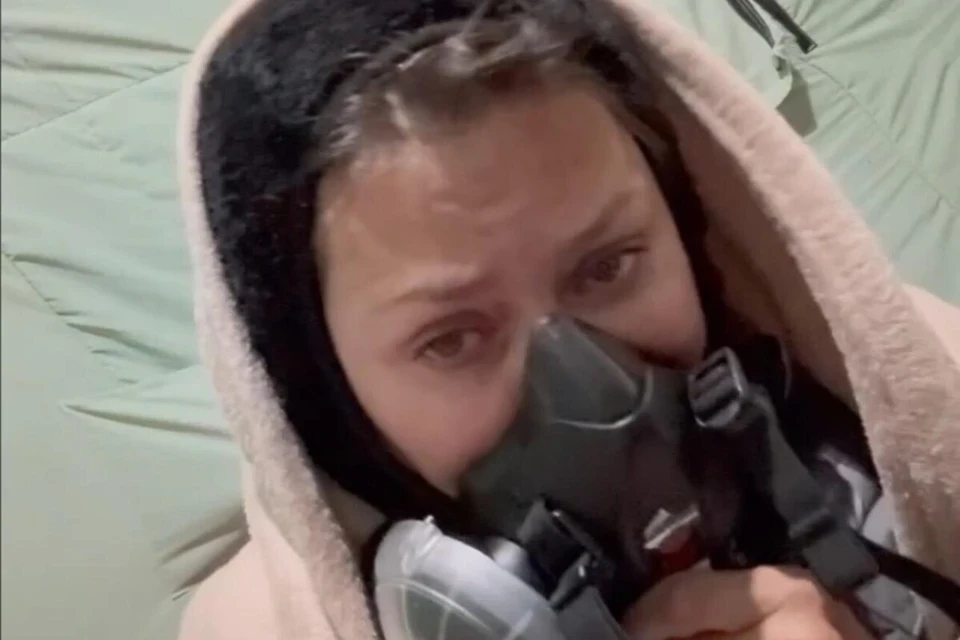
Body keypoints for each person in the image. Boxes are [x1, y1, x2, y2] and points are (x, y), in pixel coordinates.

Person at [177, 0, 960, 638]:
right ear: (326, 398)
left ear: (691, 230)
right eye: (451, 338)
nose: (590, 388)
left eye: (607, 266)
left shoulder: (926, 386)